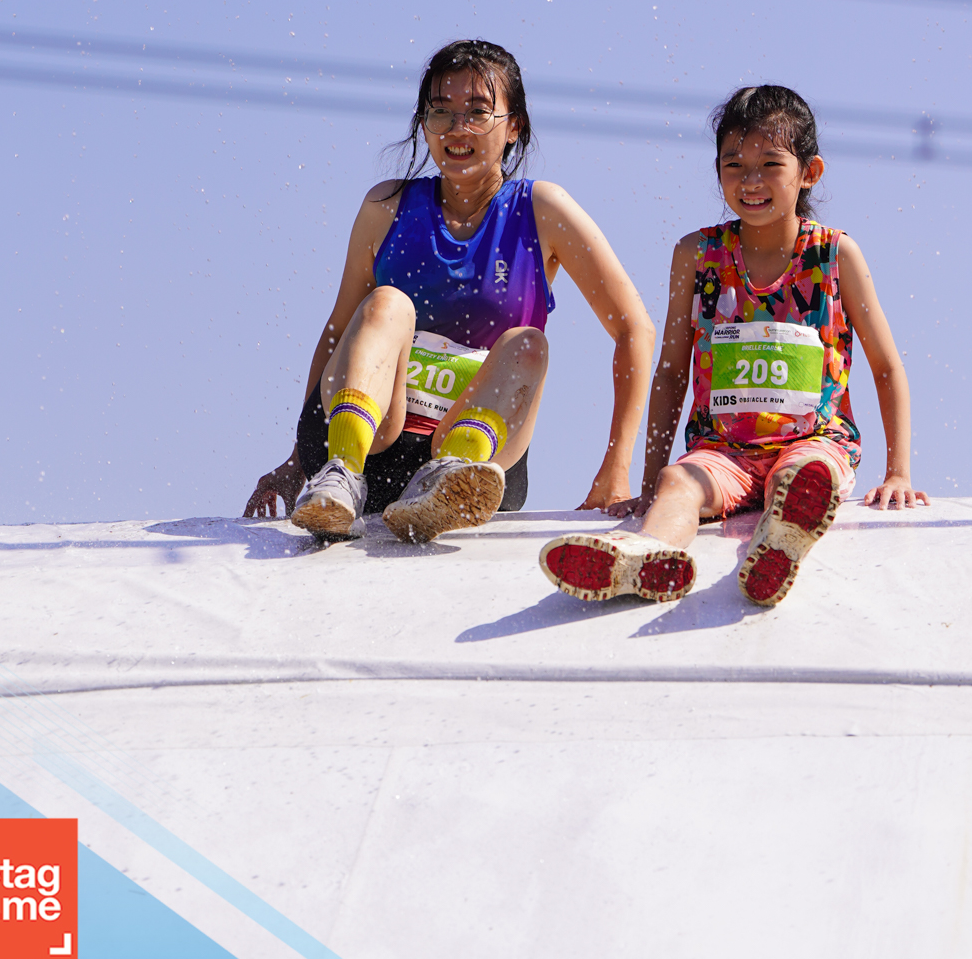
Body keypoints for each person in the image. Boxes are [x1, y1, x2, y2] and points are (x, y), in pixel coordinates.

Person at [243, 38, 656, 544]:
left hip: (470, 463)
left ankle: (450, 479)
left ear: (514, 126)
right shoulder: (384, 206)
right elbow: (339, 332)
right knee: (387, 303)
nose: (458, 129)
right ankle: (340, 473)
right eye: (441, 112)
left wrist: (616, 468)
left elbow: (635, 329)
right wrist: (297, 459)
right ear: (423, 125)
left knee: (529, 344)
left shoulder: (543, 210)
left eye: (478, 112)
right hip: (372, 443)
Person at [540, 83, 928, 607]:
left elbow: (886, 366)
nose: (751, 181)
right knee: (679, 483)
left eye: (770, 165)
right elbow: (672, 371)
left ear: (809, 172)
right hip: (721, 451)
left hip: (816, 443)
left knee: (797, 479)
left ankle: (782, 540)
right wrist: (651, 479)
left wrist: (898, 471)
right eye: (734, 166)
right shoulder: (697, 254)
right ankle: (645, 555)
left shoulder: (835, 255)